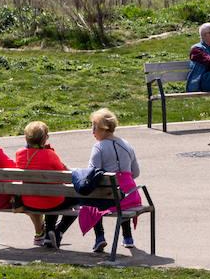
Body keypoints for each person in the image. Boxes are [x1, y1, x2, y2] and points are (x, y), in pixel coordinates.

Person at [48, 108, 141, 254]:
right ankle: (128, 238)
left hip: (105, 197)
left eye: (94, 127)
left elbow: (91, 174)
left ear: (103, 129)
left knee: (92, 198)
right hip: (129, 195)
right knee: (117, 195)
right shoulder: (127, 145)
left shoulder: (99, 147)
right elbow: (135, 172)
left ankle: (99, 237)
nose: (92, 131)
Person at [14, 121, 69, 249]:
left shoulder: (20, 154)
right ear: (44, 139)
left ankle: (49, 235)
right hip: (51, 202)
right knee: (75, 197)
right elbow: (65, 174)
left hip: (28, 202)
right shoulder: (50, 154)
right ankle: (57, 230)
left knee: (49, 192)